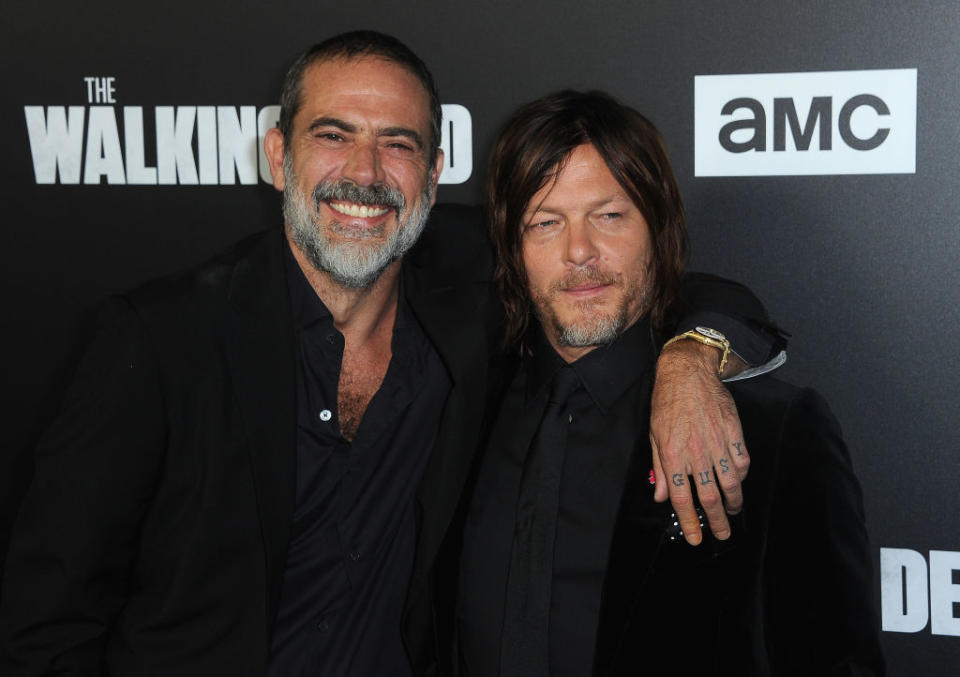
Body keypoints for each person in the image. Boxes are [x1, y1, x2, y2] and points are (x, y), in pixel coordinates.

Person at [0, 33, 784, 677]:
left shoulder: (478, 286)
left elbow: (630, 273)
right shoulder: (156, 341)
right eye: (333, 135)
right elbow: (45, 624)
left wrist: (692, 354)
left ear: (435, 175)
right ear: (278, 156)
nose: (366, 174)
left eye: (397, 144)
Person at [457, 90, 884, 676]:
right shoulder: (460, 403)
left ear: (658, 227)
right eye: (545, 222)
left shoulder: (776, 435)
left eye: (609, 216)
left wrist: (691, 354)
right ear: (511, 246)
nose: (579, 250)